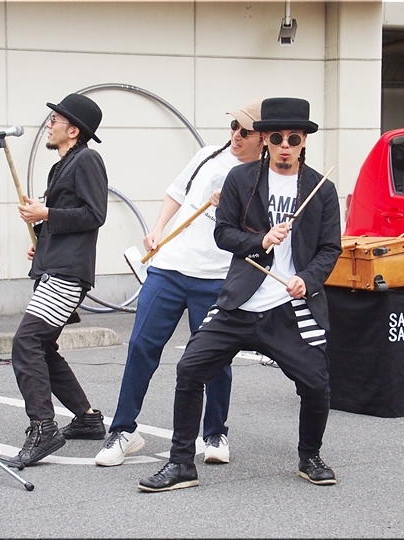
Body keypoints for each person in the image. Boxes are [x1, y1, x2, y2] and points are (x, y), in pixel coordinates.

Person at [138, 97, 342, 491]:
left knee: (316, 384)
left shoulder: (321, 189)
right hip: (240, 301)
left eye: (294, 138)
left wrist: (307, 279)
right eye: (277, 137)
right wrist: (259, 240)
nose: (285, 145)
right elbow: (223, 233)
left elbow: (330, 248)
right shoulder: (241, 179)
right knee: (189, 369)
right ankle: (181, 464)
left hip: (290, 304)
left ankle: (310, 457)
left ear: (304, 141)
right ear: (265, 140)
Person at [93, 99, 265, 467]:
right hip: (169, 267)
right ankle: (123, 430)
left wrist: (230, 204)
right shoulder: (207, 155)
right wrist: (156, 229)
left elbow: (259, 232)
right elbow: (176, 192)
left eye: (246, 131)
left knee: (215, 357)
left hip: (217, 277)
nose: (236, 135)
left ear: (264, 138)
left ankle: (215, 432)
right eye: (233, 126)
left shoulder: (264, 177)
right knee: (141, 346)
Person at [5, 94, 109, 468]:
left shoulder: (87, 160)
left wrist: (46, 212)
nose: (49, 125)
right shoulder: (61, 165)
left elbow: (95, 214)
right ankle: (86, 418)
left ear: (74, 130)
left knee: (27, 342)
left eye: (56, 120)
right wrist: (42, 237)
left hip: (67, 273)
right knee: (43, 346)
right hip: (55, 266)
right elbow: (67, 216)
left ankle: (44, 427)